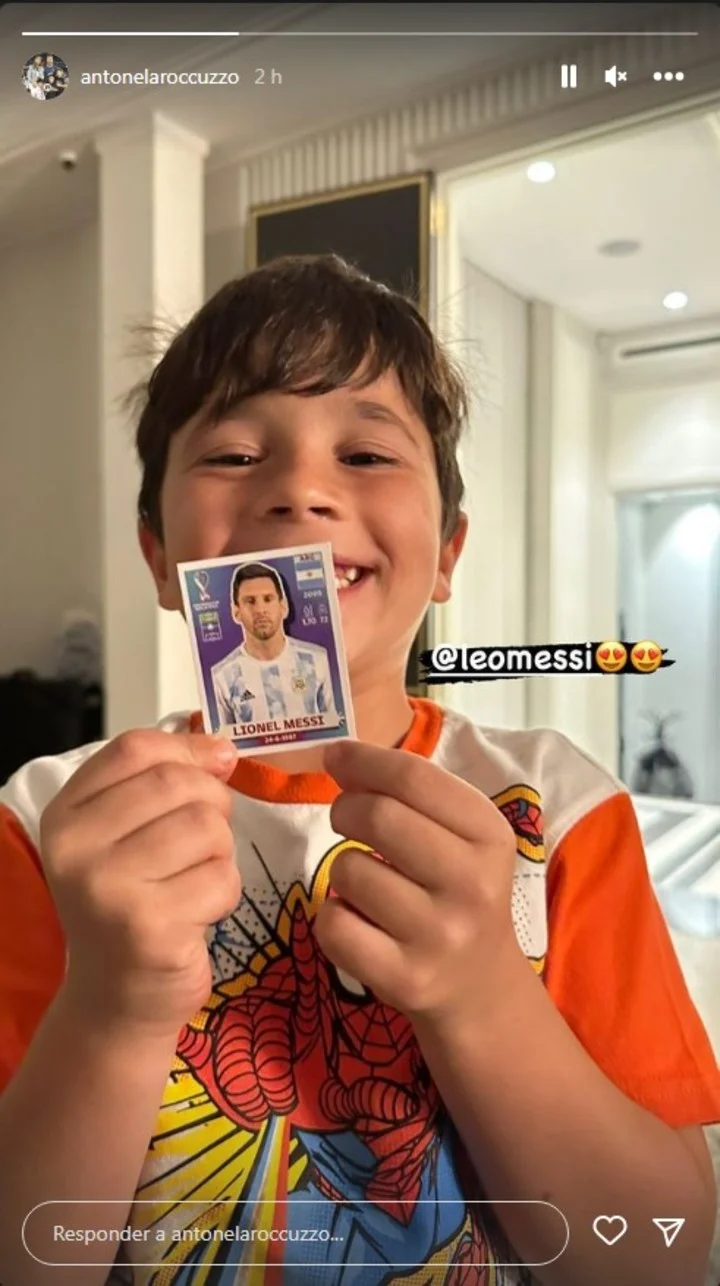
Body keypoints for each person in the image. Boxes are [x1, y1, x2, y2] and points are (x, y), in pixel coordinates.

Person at [0, 254, 718, 1286]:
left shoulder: (558, 812)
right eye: (236, 453)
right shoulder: (50, 826)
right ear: (160, 557)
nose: (300, 489)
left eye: (368, 453)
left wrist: (483, 996)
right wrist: (112, 1007)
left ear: (448, 553)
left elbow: (659, 1255)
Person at [211, 560, 339, 728]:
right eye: (250, 601)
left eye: (268, 599)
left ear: (283, 606)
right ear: (236, 612)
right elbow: (223, 739)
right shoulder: (222, 677)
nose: (260, 610)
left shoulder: (318, 661)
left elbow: (337, 726)